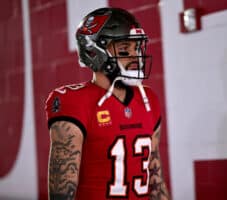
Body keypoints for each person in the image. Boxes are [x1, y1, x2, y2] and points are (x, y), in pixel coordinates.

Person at [45, 7, 170, 200]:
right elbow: (62, 191)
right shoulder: (73, 101)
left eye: (136, 48)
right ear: (95, 52)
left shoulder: (149, 99)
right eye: (123, 49)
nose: (135, 56)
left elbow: (155, 176)